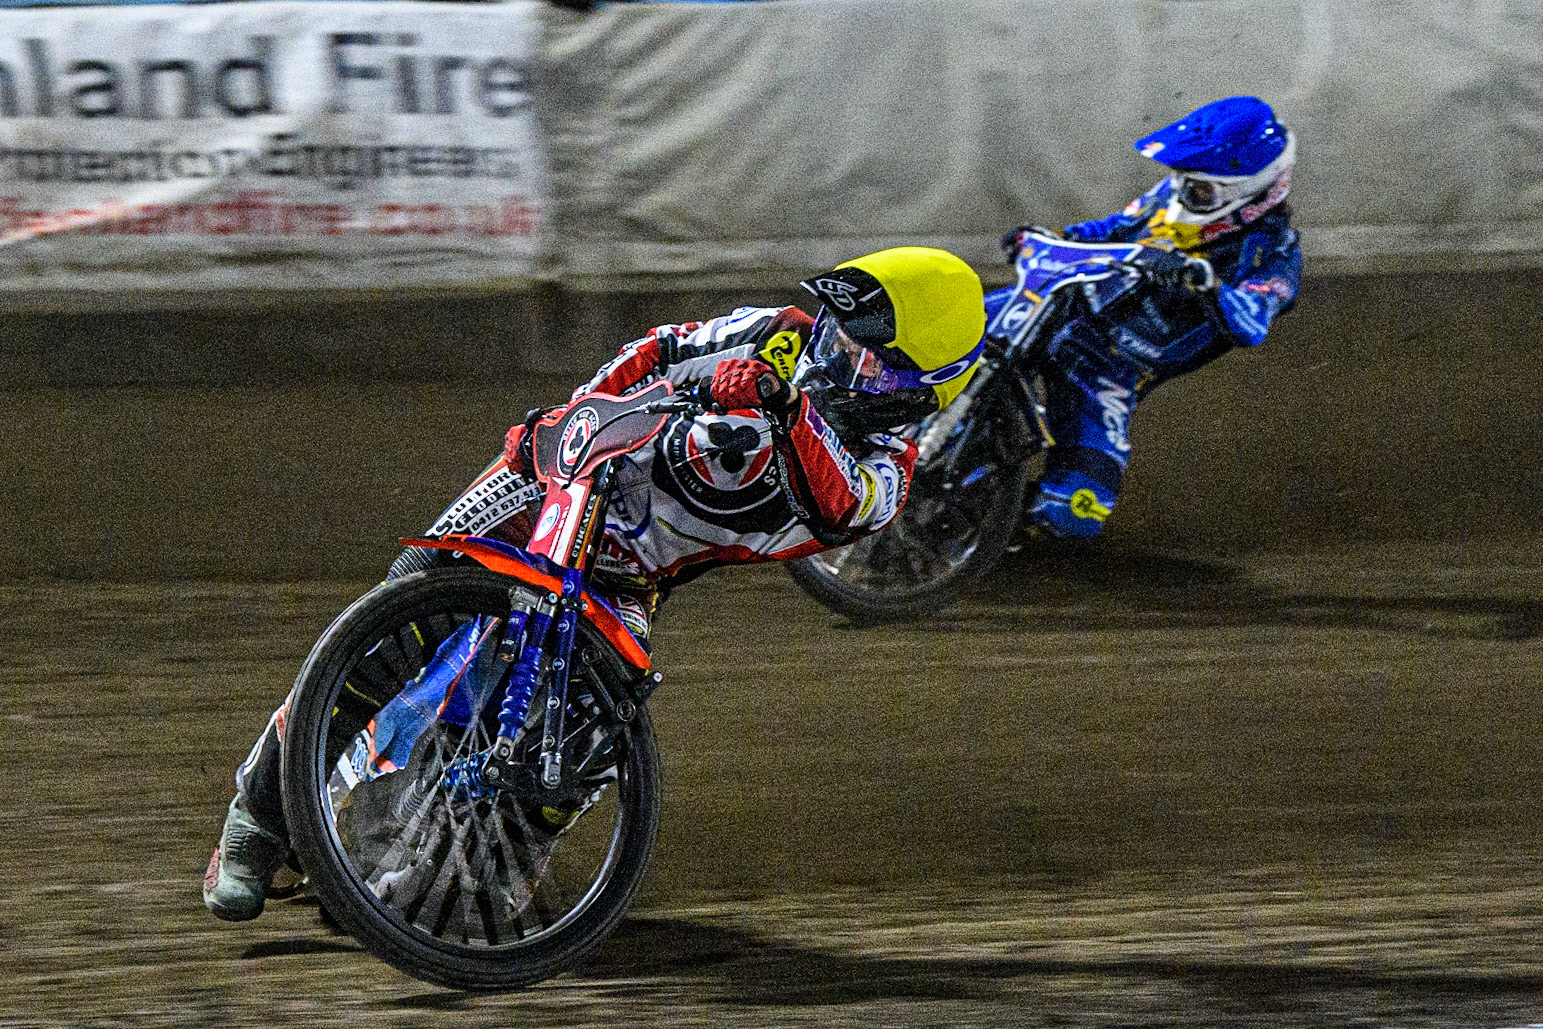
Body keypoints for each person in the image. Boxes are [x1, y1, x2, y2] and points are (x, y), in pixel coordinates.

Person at [202, 245, 987, 921]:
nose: (828, 356)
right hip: (555, 488)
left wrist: (784, 410)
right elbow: (660, 347)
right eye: (832, 334)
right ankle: (257, 819)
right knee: (393, 619)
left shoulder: (886, 476)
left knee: (594, 732)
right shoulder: (772, 334)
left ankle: (481, 874)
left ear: (921, 392)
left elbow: (838, 500)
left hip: (627, 575)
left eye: (863, 360)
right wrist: (590, 413)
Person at [999, 95, 1303, 539]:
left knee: (1075, 513)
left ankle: (990, 518)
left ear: (1251, 194)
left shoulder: (1276, 255)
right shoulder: (1171, 197)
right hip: (1062, 308)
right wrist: (1053, 239)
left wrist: (1206, 284)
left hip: (1110, 371)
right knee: (941, 330)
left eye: (1200, 189)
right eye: (1184, 182)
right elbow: (1111, 228)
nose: (1183, 194)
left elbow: (1253, 322)